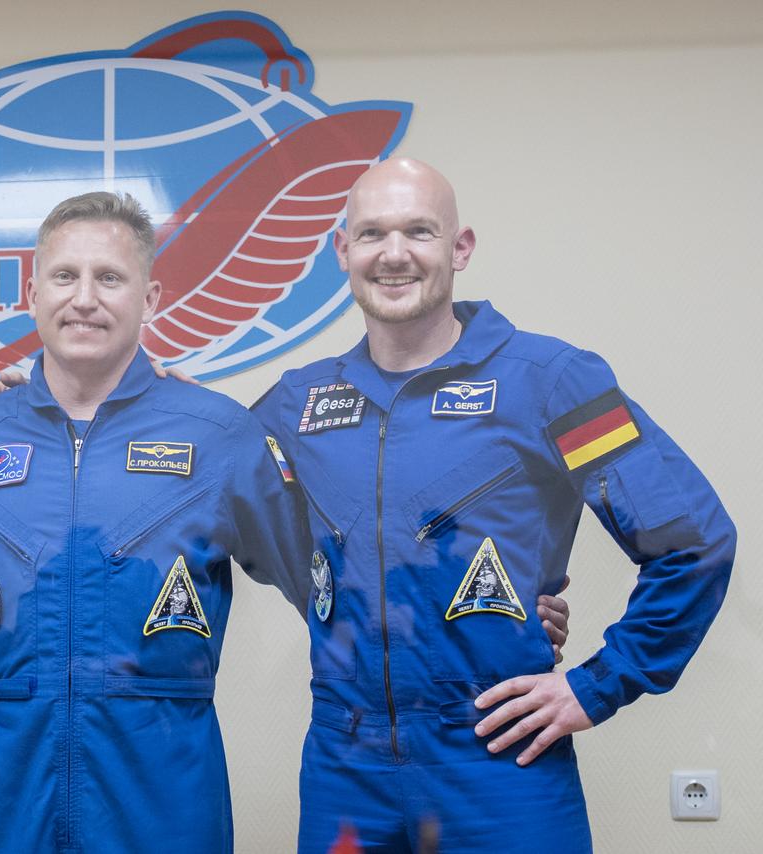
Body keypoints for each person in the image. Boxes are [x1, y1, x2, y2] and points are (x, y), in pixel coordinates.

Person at [250, 158, 736, 852]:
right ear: (342, 250)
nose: (394, 254)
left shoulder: (554, 382)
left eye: (420, 231)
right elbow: (210, 495)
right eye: (372, 234)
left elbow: (693, 541)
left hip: (497, 757)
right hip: (344, 766)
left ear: (461, 248)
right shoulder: (297, 404)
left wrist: (599, 685)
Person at [0, 192, 314, 853]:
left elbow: (342, 594)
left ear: (150, 297)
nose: (84, 299)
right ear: (32, 294)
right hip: (6, 815)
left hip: (162, 817)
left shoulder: (218, 436)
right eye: (65, 276)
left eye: (109, 277)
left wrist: (484, 658)